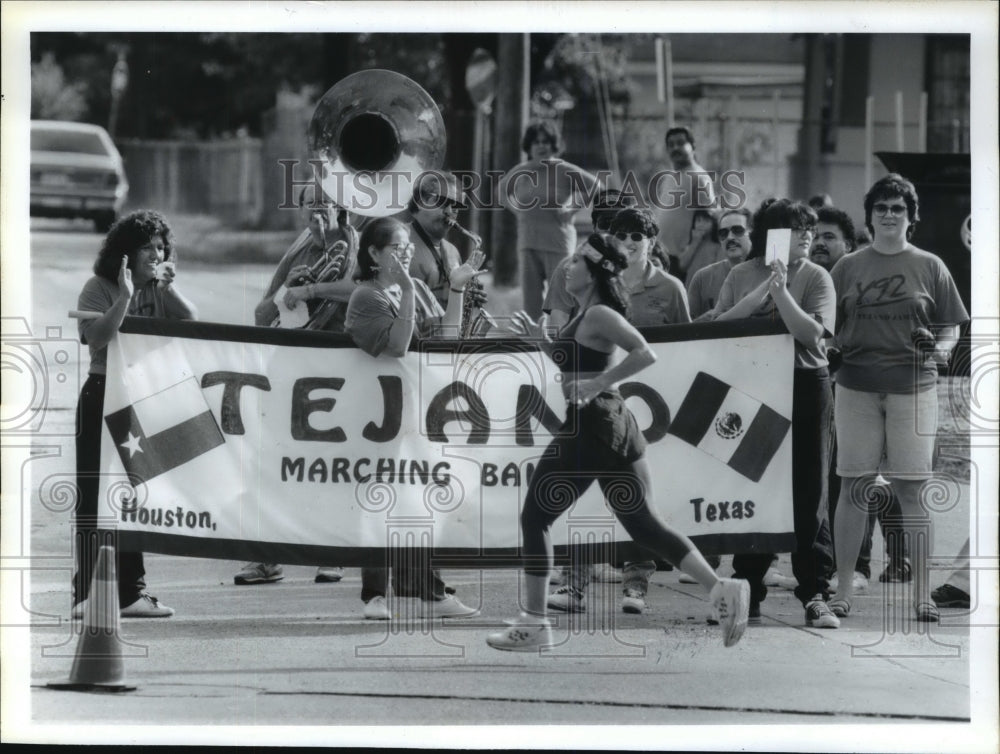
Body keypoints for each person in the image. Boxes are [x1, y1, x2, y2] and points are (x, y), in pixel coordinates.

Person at [485, 234, 749, 651]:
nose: (567, 267)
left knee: (535, 518)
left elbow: (644, 353)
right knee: (645, 524)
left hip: (594, 426)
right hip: (612, 427)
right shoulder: (585, 314)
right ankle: (722, 590)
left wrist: (599, 383)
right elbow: (579, 363)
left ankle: (535, 623)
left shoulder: (601, 313)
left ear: (594, 272)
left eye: (575, 262)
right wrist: (543, 343)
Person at [828, 173, 968, 623]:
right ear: (868, 216)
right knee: (854, 485)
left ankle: (922, 595)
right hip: (855, 386)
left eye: (898, 208)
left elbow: (951, 326)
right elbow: (826, 324)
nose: (889, 215)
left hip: (914, 387)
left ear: (912, 217)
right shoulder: (847, 266)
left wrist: (941, 349)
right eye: (882, 208)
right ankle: (842, 588)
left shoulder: (931, 265)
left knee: (912, 490)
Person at [544, 207, 694, 616]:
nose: (628, 241)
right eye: (620, 235)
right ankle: (575, 585)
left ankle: (637, 582)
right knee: (582, 499)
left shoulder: (671, 289)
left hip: (648, 415)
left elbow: (689, 346)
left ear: (651, 242)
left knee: (639, 506)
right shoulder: (592, 289)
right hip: (598, 412)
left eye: (637, 235)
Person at [344, 216, 485, 619]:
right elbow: (398, 346)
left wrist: (456, 288)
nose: (406, 252)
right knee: (378, 499)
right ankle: (375, 595)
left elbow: (447, 337)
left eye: (408, 246)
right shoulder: (366, 296)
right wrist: (406, 289)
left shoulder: (417, 288)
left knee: (420, 500)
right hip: (376, 416)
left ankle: (431, 591)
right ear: (373, 254)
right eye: (396, 247)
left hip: (417, 412)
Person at [711, 198, 840, 629]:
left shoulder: (817, 276)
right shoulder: (740, 274)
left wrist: (783, 292)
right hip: (752, 386)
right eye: (796, 227)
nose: (807, 235)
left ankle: (815, 592)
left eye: (811, 228)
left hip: (805, 384)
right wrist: (761, 292)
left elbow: (810, 335)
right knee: (754, 486)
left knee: (809, 489)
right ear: (773, 234)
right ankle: (747, 586)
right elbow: (720, 329)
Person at [72, 209, 198, 619]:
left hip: (139, 400)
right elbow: (95, 339)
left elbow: (190, 320)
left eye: (161, 247)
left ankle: (130, 594)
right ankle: (86, 593)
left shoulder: (159, 290)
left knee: (134, 496)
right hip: (102, 393)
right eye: (147, 247)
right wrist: (126, 296)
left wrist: (166, 289)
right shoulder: (99, 287)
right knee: (93, 497)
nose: (156, 252)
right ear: (124, 252)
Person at [236, 193, 359, 586]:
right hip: (291, 367)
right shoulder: (299, 248)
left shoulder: (357, 242)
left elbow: (361, 292)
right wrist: (287, 289)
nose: (316, 209)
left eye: (325, 201)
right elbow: (261, 314)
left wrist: (312, 291)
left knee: (331, 463)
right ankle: (267, 556)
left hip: (337, 367)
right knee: (273, 461)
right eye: (309, 201)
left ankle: (332, 552)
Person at [811, 205, 910, 593]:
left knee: (868, 477)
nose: (819, 242)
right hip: (829, 385)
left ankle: (866, 565)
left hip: (873, 388)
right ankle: (835, 563)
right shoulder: (814, 280)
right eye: (815, 236)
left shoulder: (864, 278)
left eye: (829, 237)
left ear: (850, 245)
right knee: (839, 477)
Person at [499, 121, 603, 319]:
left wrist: (573, 210)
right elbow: (501, 192)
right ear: (529, 146)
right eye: (536, 142)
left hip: (558, 242)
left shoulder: (563, 169)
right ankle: (535, 343)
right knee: (531, 303)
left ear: (554, 145)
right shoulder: (522, 170)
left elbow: (596, 186)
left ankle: (569, 341)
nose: (541, 146)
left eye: (546, 141)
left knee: (564, 299)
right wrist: (516, 210)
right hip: (528, 242)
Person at [651, 126, 716, 277]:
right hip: (661, 255)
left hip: (682, 261)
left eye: (680, 143)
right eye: (671, 145)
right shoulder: (668, 178)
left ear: (692, 146)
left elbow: (710, 218)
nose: (675, 148)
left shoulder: (699, 178)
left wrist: (690, 251)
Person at [686, 207, 752, 320]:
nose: (730, 237)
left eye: (737, 230)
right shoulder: (702, 278)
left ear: (752, 233)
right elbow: (685, 329)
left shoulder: (769, 274)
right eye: (723, 233)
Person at [673, 208, 723, 284]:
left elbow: (719, 272)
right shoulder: (692, 243)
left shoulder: (718, 247)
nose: (701, 224)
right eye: (698, 220)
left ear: (714, 224)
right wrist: (695, 242)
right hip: (690, 287)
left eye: (706, 221)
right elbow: (682, 266)